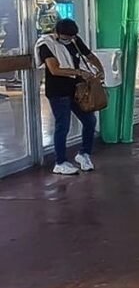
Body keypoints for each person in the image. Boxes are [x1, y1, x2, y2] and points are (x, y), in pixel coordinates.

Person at [34, 18, 104, 175]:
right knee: (62, 125)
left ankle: (84, 154)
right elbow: (54, 69)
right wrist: (78, 72)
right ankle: (60, 162)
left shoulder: (74, 40)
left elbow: (89, 56)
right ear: (58, 33)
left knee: (90, 120)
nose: (70, 40)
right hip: (58, 91)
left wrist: (100, 69)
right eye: (67, 37)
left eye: (73, 37)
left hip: (77, 89)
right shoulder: (47, 44)